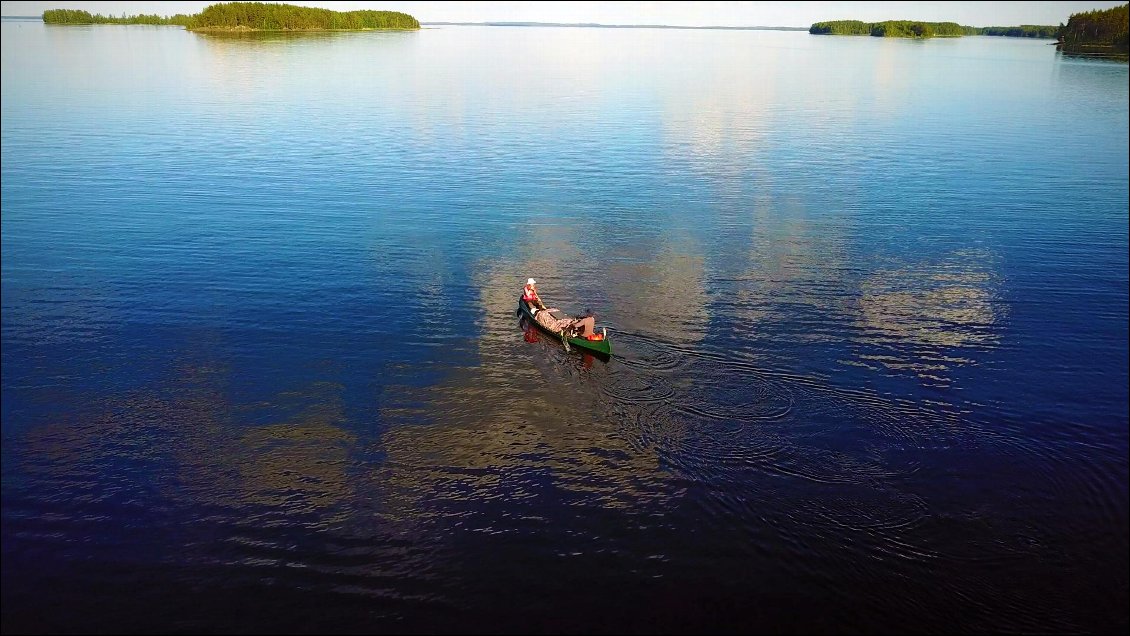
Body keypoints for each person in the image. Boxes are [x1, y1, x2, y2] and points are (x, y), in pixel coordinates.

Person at [522, 277, 595, 337]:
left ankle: (539, 310)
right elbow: (528, 295)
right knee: (534, 306)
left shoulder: (585, 320)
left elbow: (577, 325)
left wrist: (573, 324)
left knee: (540, 308)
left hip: (583, 335)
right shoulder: (592, 319)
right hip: (529, 299)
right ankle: (537, 310)